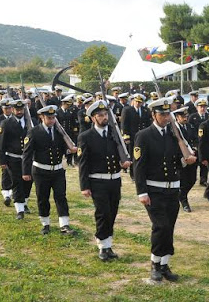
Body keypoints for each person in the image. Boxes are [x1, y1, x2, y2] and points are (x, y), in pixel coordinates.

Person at [133, 97, 197, 282]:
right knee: (161, 226)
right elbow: (139, 166)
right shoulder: (144, 135)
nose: (166, 117)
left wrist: (187, 160)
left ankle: (164, 264)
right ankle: (155, 263)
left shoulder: (173, 135)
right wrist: (142, 192)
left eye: (168, 113)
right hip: (154, 190)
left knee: (169, 227)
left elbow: (178, 161)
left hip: (172, 190)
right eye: (162, 114)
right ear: (154, 115)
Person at [77, 100, 131, 260]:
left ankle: (108, 245)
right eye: (100, 115)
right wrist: (84, 186)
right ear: (93, 118)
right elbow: (83, 163)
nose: (104, 117)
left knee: (112, 212)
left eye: (105, 114)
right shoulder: (86, 137)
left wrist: (124, 162)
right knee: (103, 213)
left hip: (114, 180)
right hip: (97, 181)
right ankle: (102, 246)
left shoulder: (114, 134)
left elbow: (120, 155)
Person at [22, 105, 78, 235]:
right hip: (41, 171)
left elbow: (63, 148)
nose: (52, 120)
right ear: (42, 117)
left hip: (58, 170)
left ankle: (64, 224)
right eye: (49, 118)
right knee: (43, 197)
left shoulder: (59, 132)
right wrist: (25, 172)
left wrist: (71, 150)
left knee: (61, 197)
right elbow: (27, 153)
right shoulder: (34, 132)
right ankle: (45, 223)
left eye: (53, 118)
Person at [0, 99, 34, 219]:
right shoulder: (5, 124)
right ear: (12, 110)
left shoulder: (31, 122)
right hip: (13, 158)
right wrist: (2, 161)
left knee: (28, 182)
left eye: (21, 109)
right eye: (17, 109)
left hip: (28, 159)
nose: (19, 112)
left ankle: (25, 203)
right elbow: (0, 144)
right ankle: (20, 210)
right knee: (17, 182)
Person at [121, 93, 152, 180]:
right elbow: (124, 124)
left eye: (140, 102)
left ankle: (143, 173)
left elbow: (148, 123)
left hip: (143, 136)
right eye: (136, 101)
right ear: (133, 101)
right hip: (132, 136)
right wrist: (125, 135)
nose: (138, 104)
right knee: (133, 155)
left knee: (144, 154)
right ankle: (133, 174)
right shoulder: (127, 110)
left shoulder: (145, 110)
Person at [174, 106, 198, 212]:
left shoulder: (190, 126)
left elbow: (195, 140)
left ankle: (181, 195)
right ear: (176, 117)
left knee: (192, 180)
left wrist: (194, 149)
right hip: (181, 160)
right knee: (183, 181)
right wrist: (183, 156)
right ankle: (184, 201)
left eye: (186, 116)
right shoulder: (174, 129)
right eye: (182, 116)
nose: (185, 118)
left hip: (192, 157)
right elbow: (175, 144)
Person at [188, 98, 209, 186]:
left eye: (204, 107)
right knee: (195, 163)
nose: (203, 108)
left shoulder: (208, 117)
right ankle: (192, 179)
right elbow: (190, 130)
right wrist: (194, 144)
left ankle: (203, 179)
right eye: (201, 106)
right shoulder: (192, 117)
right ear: (197, 107)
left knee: (204, 163)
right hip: (196, 143)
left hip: (206, 144)